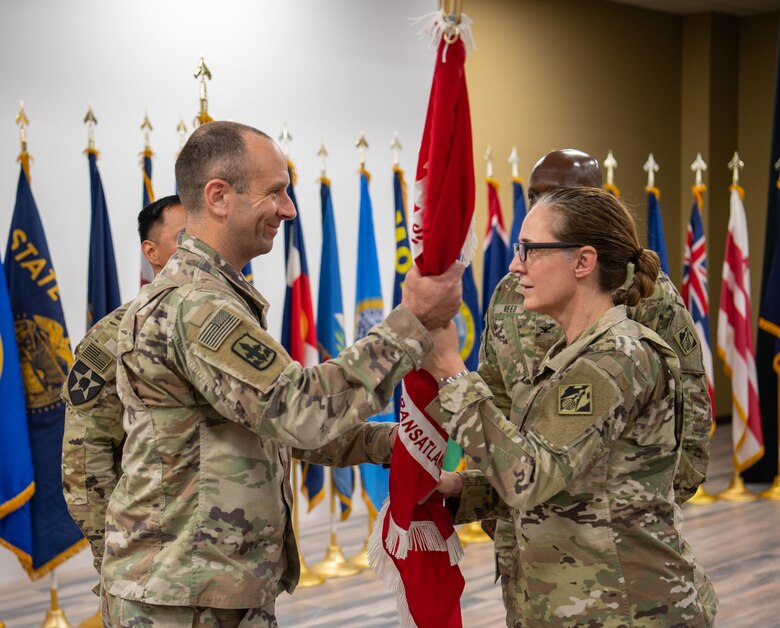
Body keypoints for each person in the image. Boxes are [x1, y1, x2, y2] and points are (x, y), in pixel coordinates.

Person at [97, 120, 463, 627]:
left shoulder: (216, 297)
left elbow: (267, 425)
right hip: (184, 596)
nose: (288, 209)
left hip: (206, 585)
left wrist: (391, 444)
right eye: (277, 192)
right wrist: (412, 323)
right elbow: (298, 410)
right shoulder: (198, 307)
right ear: (219, 196)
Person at [425, 186, 717, 626]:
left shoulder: (617, 360)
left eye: (531, 250)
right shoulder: (572, 355)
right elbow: (573, 488)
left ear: (583, 261)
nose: (514, 264)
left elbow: (528, 478)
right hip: (569, 605)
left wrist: (450, 368)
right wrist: (462, 490)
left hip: (628, 610)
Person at [63, 194, 187, 577]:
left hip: (228, 562)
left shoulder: (231, 324)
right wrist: (115, 557)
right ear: (152, 252)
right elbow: (82, 461)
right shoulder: (115, 336)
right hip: (151, 563)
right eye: (184, 239)